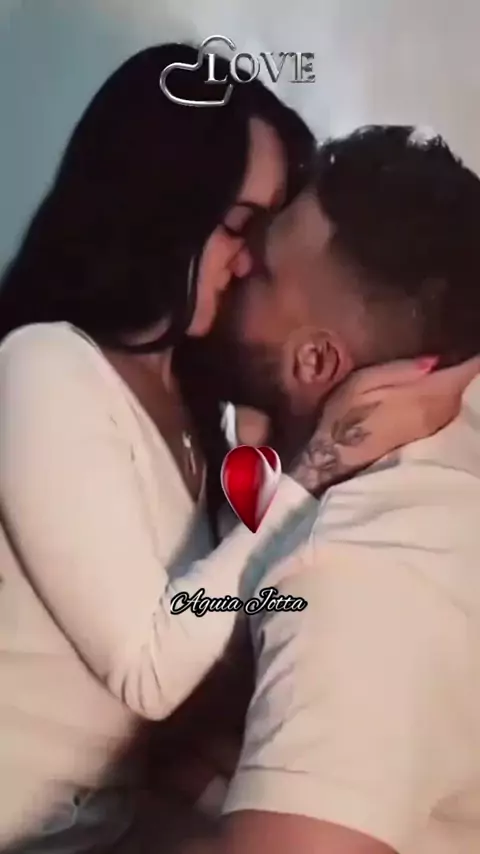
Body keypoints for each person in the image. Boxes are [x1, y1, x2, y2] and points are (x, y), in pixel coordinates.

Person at [0, 45, 461, 852]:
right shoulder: (45, 367)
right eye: (239, 226)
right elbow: (151, 666)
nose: (248, 261)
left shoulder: (202, 407)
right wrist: (314, 470)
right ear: (159, 212)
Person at [177, 126, 480, 854]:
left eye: (259, 268)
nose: (234, 261)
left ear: (315, 360)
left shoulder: (353, 576)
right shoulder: (451, 445)